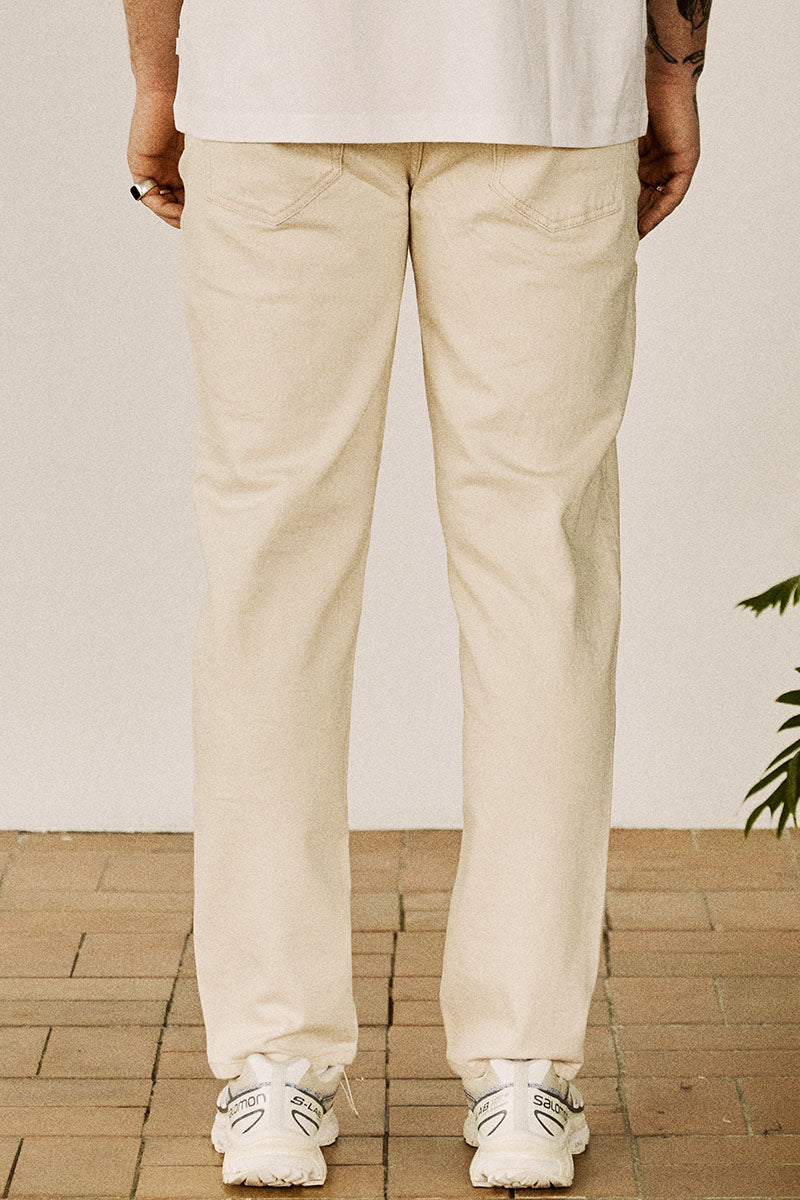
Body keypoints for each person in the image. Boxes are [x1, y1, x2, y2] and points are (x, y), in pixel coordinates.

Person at [122, 0, 709, 1189]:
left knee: (270, 577)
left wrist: (156, 70)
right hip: (541, 74)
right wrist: (672, 61)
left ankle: (275, 1061)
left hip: (273, 74)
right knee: (539, 575)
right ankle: (522, 1069)